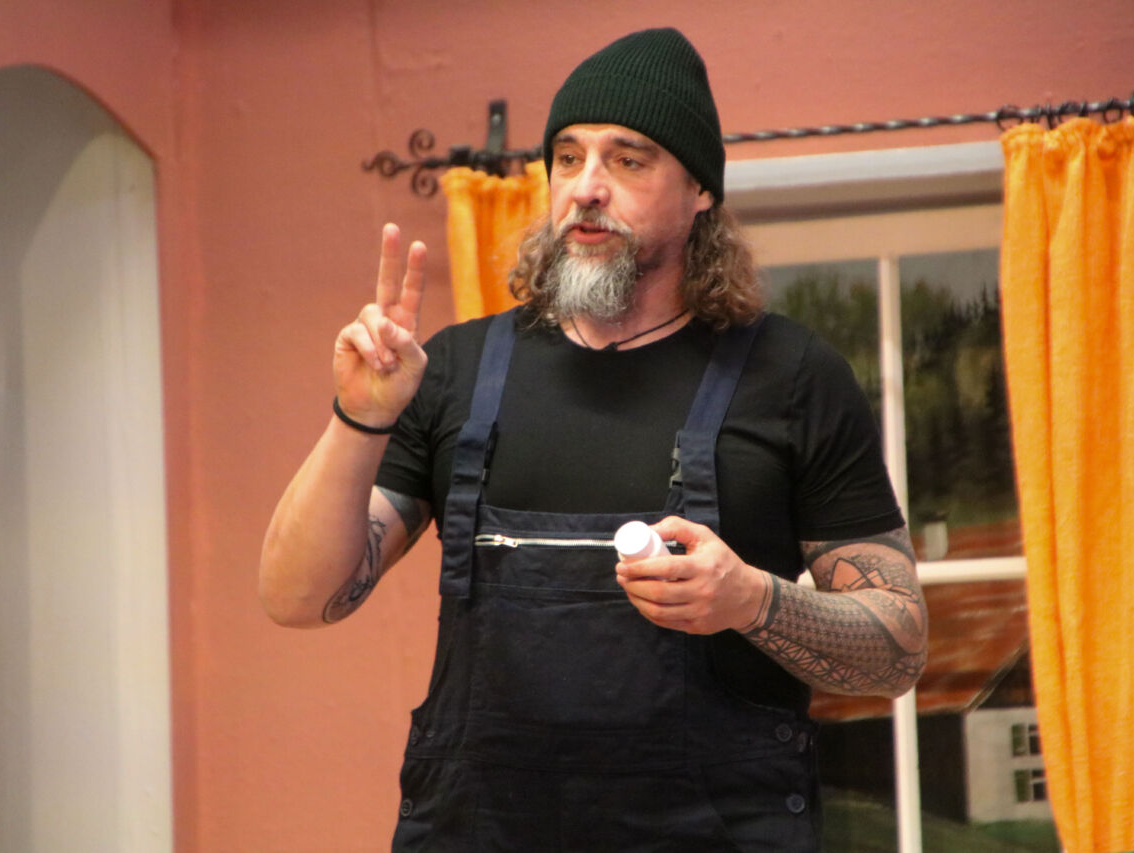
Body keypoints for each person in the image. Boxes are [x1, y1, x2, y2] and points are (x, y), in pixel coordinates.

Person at [260, 27, 928, 852]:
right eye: (568, 157)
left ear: (700, 190)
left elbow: (897, 650)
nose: (586, 188)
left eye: (628, 159)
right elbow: (297, 597)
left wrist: (753, 600)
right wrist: (358, 416)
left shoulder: (791, 376)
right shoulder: (457, 370)